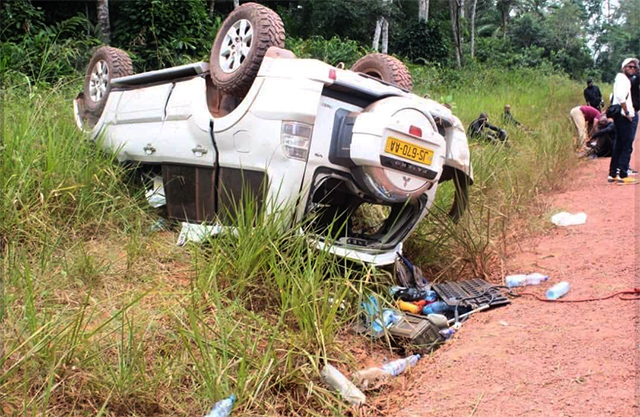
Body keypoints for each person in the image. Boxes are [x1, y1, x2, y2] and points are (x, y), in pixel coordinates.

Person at [608, 58, 639, 185]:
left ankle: (613, 174)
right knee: (626, 145)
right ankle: (623, 175)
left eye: (634, 67)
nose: (632, 69)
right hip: (623, 116)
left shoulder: (620, 79)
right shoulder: (623, 80)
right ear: (623, 67)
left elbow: (613, 97)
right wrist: (626, 113)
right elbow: (621, 97)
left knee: (619, 144)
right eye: (629, 66)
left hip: (620, 116)